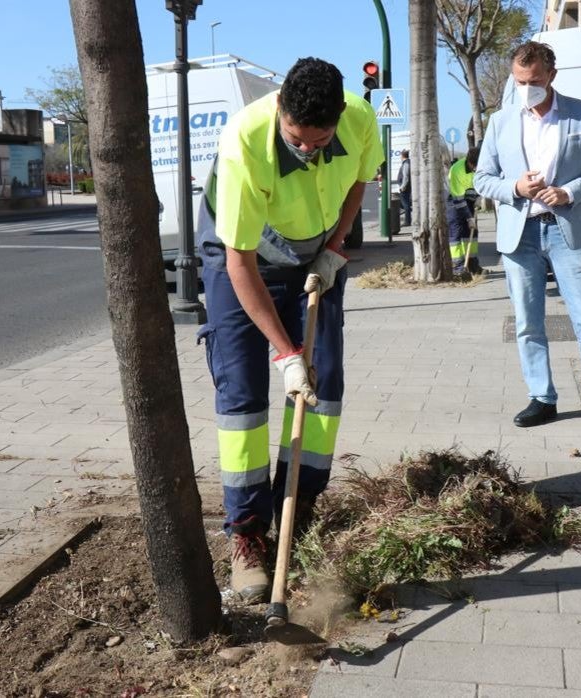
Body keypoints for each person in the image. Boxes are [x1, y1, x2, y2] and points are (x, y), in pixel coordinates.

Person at [195, 58, 384, 603]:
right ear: (280, 111)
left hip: (314, 255)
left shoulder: (359, 120)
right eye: (299, 142)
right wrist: (284, 354)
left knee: (322, 390)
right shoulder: (245, 143)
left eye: (320, 142)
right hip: (242, 258)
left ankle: (296, 511)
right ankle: (249, 536)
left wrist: (333, 249)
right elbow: (239, 262)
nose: (309, 151)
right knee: (244, 398)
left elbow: (358, 184)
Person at [474, 40, 581, 438]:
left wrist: (569, 191)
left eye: (533, 81)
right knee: (528, 322)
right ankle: (542, 398)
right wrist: (515, 186)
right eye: (518, 81)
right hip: (520, 233)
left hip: (567, 229)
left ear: (551, 76)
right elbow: (482, 179)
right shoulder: (501, 121)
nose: (525, 88)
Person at [447, 147, 481, 273]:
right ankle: (458, 267)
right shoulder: (457, 170)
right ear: (469, 161)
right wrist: (469, 217)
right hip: (454, 202)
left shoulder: (481, 166)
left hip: (470, 201)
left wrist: (479, 197)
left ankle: (472, 265)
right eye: (474, 166)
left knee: (472, 233)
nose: (476, 169)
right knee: (456, 233)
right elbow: (458, 200)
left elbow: (481, 183)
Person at [397, 149, 412, 226]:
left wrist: (402, 187)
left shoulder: (406, 163)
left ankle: (407, 221)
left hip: (405, 188)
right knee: (404, 204)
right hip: (406, 187)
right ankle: (410, 211)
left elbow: (406, 177)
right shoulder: (407, 163)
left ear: (402, 156)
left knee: (405, 205)